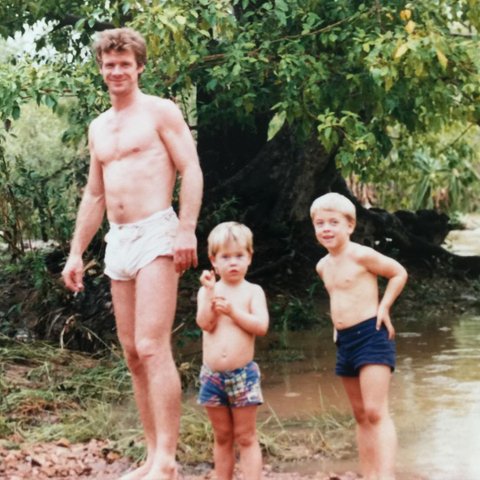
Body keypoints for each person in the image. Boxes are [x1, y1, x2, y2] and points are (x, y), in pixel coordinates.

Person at [61, 28, 203, 480]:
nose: (116, 70)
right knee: (131, 352)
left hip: (158, 231)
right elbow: (94, 194)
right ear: (101, 68)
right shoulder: (99, 126)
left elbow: (191, 169)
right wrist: (75, 252)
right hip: (118, 239)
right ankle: (150, 456)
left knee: (152, 346)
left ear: (139, 66)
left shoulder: (161, 111)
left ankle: (167, 459)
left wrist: (186, 229)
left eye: (124, 63)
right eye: (109, 64)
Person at [310, 193, 408, 480]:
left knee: (376, 412)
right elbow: (340, 296)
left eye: (333, 222)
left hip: (371, 335)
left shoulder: (361, 255)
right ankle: (369, 474)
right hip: (345, 341)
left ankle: (386, 475)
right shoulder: (322, 265)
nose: (326, 228)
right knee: (361, 415)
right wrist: (336, 326)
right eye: (320, 223)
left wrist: (384, 307)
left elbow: (398, 272)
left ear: (350, 226)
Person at [196, 222, 269, 480]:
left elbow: (261, 327)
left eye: (239, 256)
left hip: (243, 375)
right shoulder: (209, 291)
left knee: (246, 436)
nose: (233, 263)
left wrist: (234, 312)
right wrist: (209, 293)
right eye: (225, 257)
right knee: (222, 436)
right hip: (212, 376)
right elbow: (205, 323)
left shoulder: (253, 291)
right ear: (213, 262)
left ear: (249, 257)